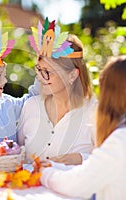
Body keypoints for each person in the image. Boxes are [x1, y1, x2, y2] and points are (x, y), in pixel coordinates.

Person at [40, 55, 126, 199]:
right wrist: (53, 166)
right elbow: (95, 170)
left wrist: (43, 173)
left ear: (109, 92)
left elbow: (79, 185)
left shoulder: (124, 139)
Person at [18, 18, 96, 165]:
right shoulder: (30, 107)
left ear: (72, 75)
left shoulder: (94, 111)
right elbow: (17, 152)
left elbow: (109, 162)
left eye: (48, 72)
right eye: (39, 70)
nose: (40, 77)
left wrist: (80, 158)